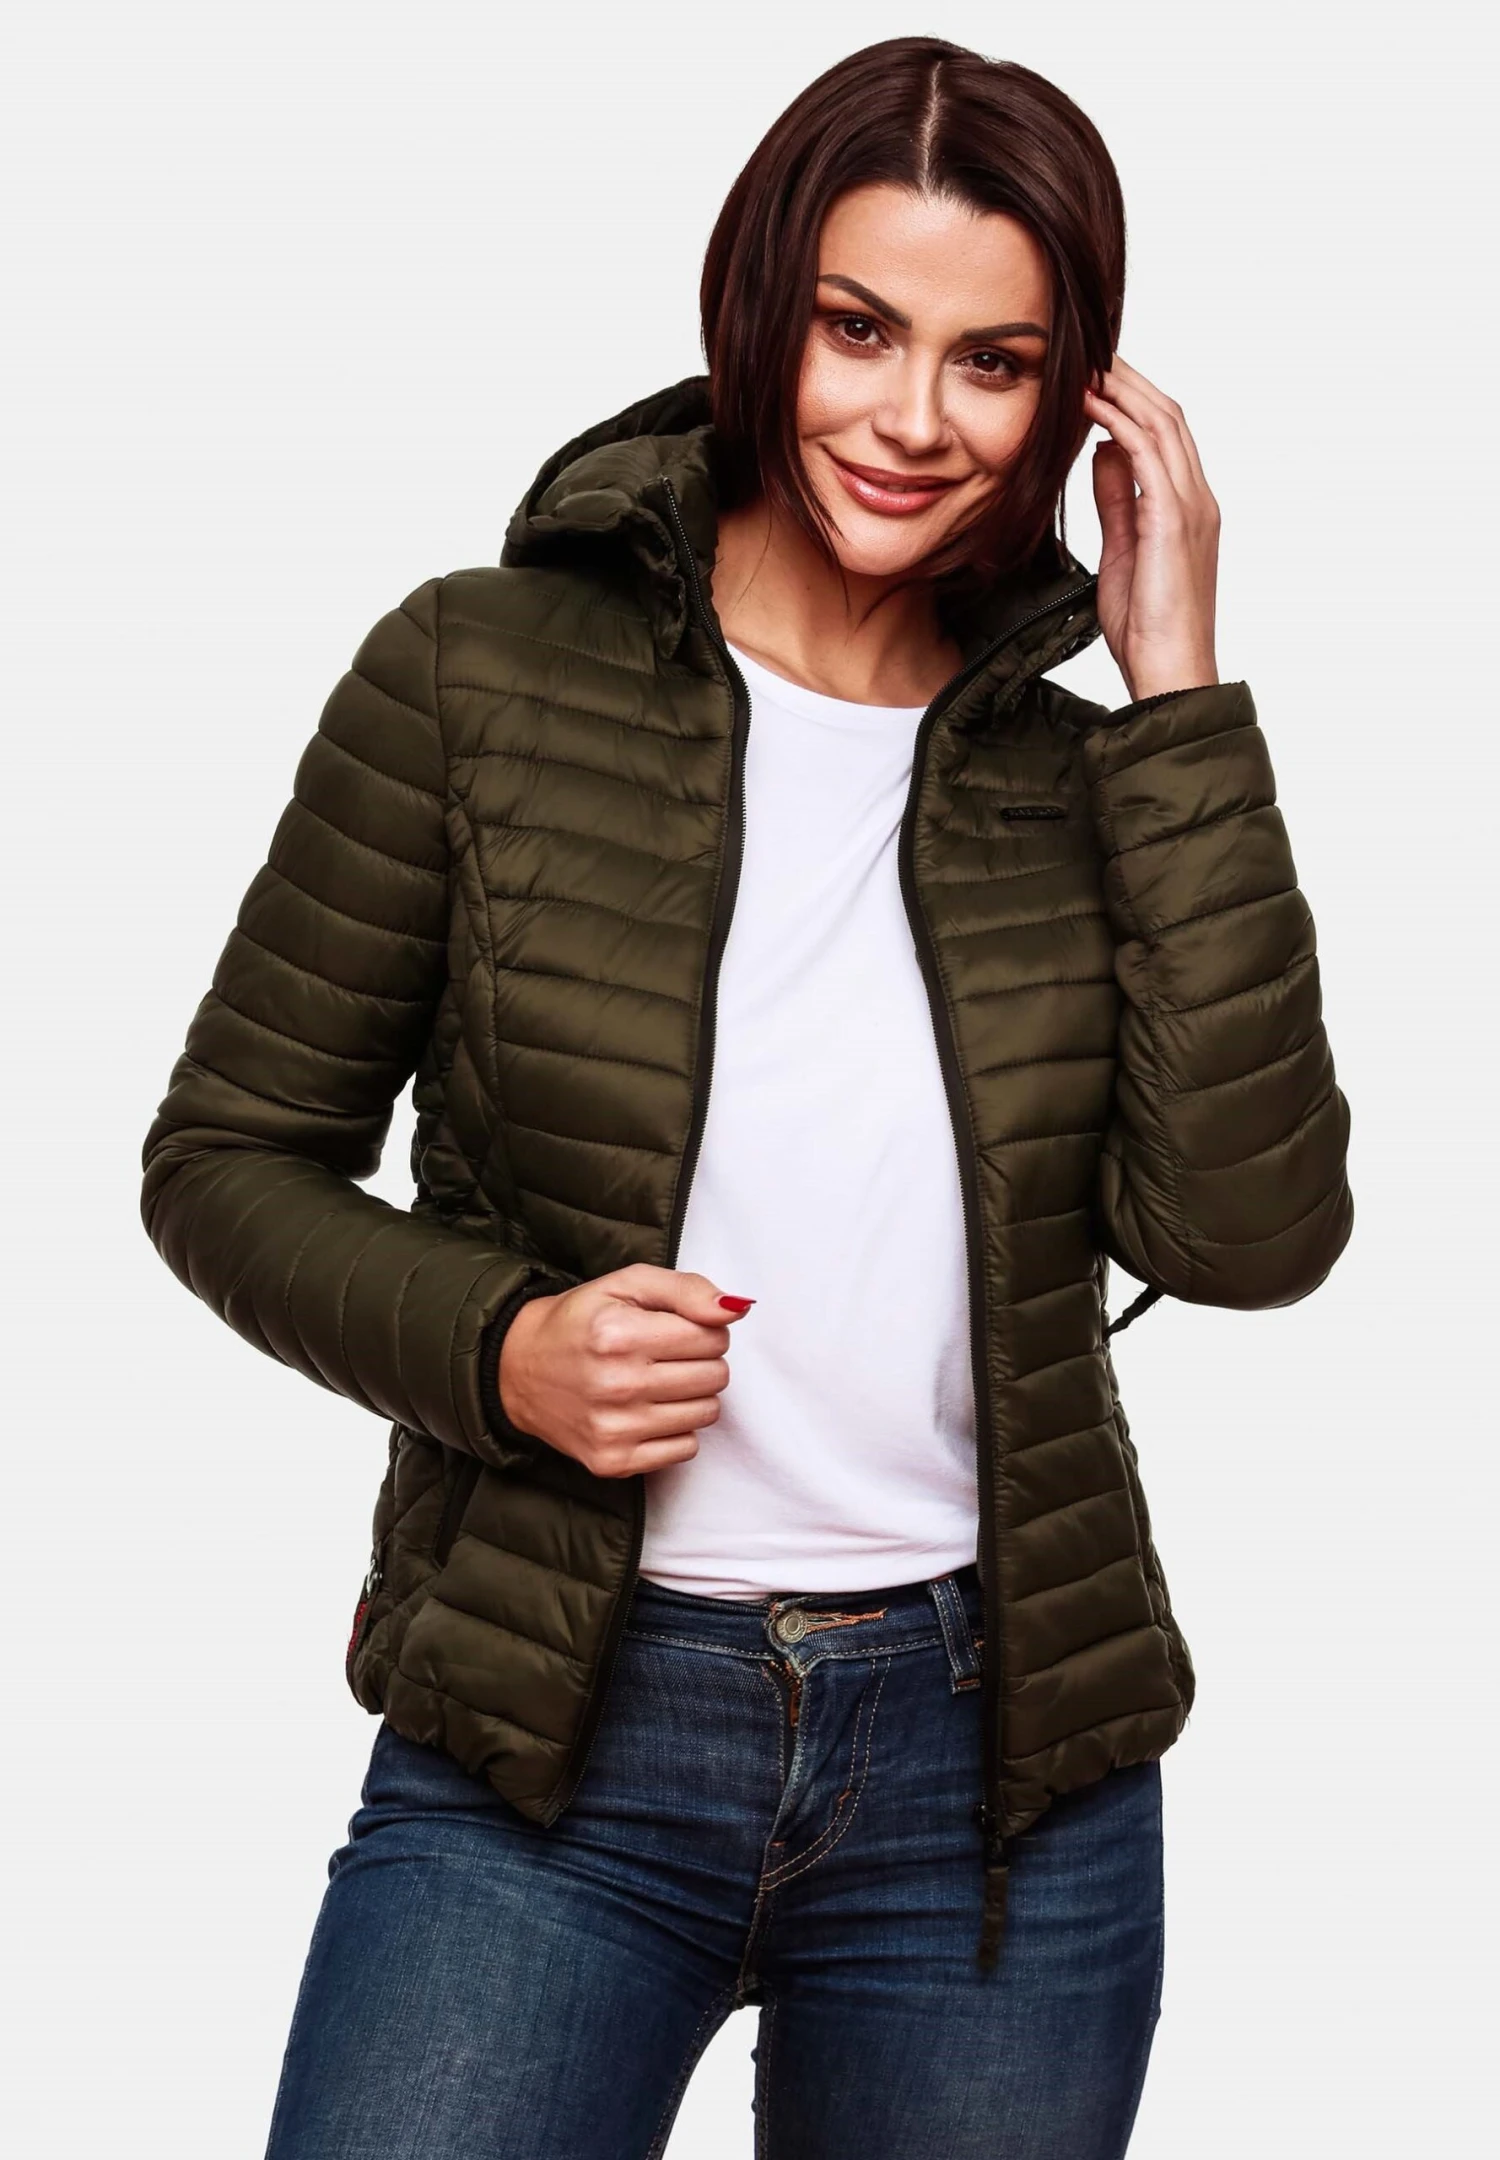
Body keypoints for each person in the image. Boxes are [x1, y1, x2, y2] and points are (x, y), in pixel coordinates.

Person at [140, 36, 1353, 2160]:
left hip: (1000, 1775)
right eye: (858, 329)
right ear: (761, 306)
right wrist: (503, 1351)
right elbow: (228, 1160)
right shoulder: (474, 674)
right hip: (555, 1736)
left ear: (1071, 401)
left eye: (994, 362)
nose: (912, 419)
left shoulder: (1095, 784)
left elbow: (1248, 1240)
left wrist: (1178, 695)